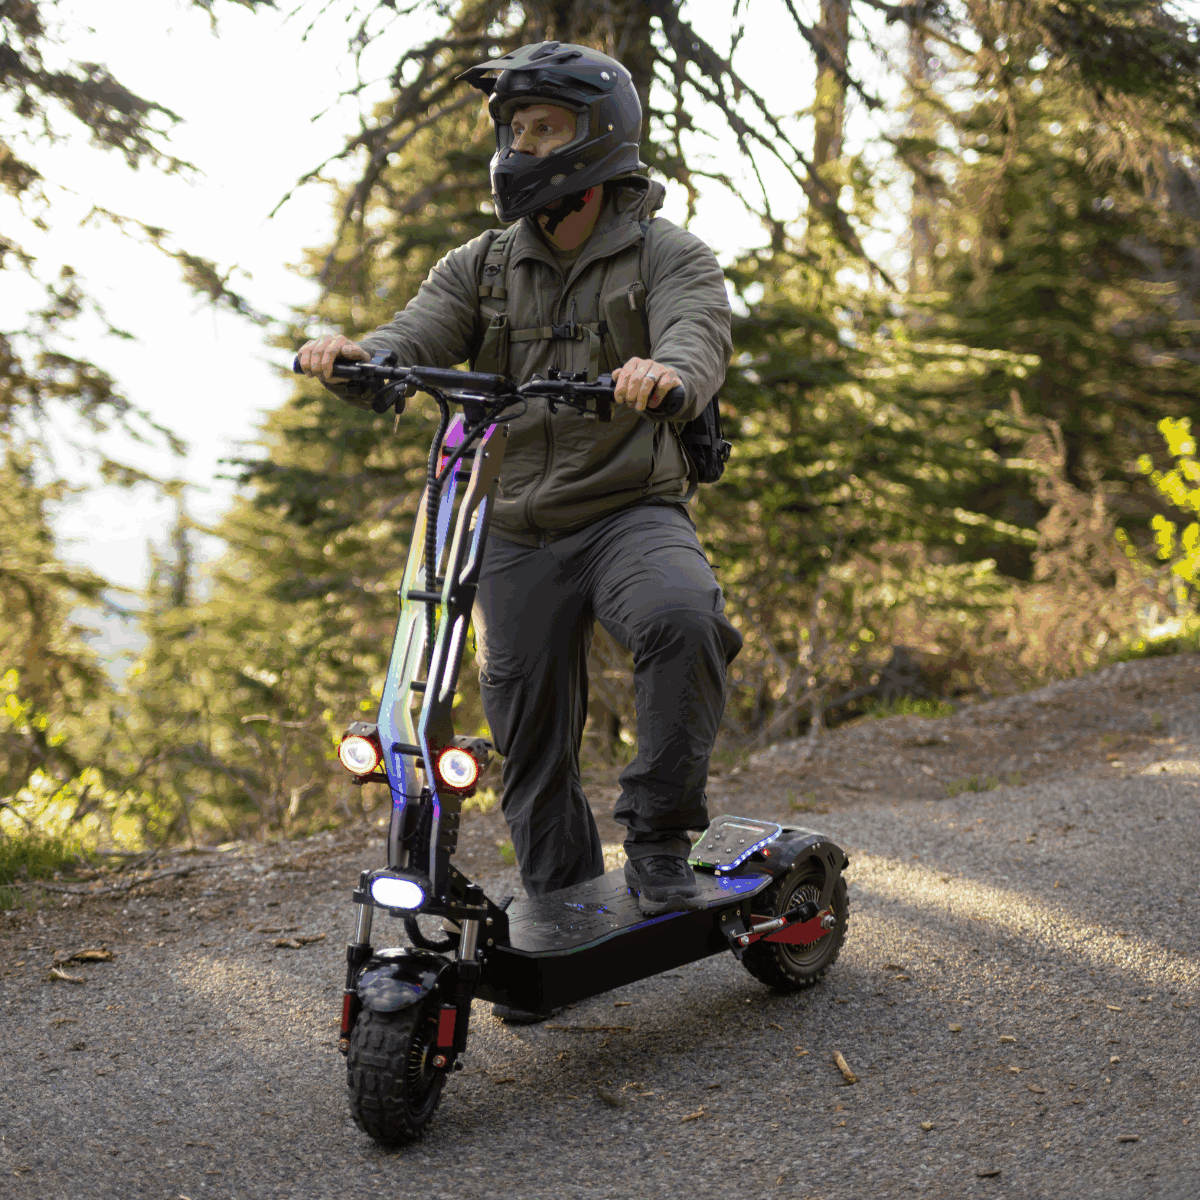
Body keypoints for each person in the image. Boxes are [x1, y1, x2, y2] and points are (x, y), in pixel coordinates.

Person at [298, 41, 741, 934]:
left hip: (627, 511)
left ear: (600, 135)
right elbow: (417, 332)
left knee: (683, 617)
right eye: (516, 129)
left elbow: (698, 336)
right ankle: (560, 904)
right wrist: (362, 358)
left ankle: (659, 837)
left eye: (546, 128)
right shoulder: (485, 263)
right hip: (507, 527)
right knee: (526, 728)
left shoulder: (668, 255)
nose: (524, 146)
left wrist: (666, 374)